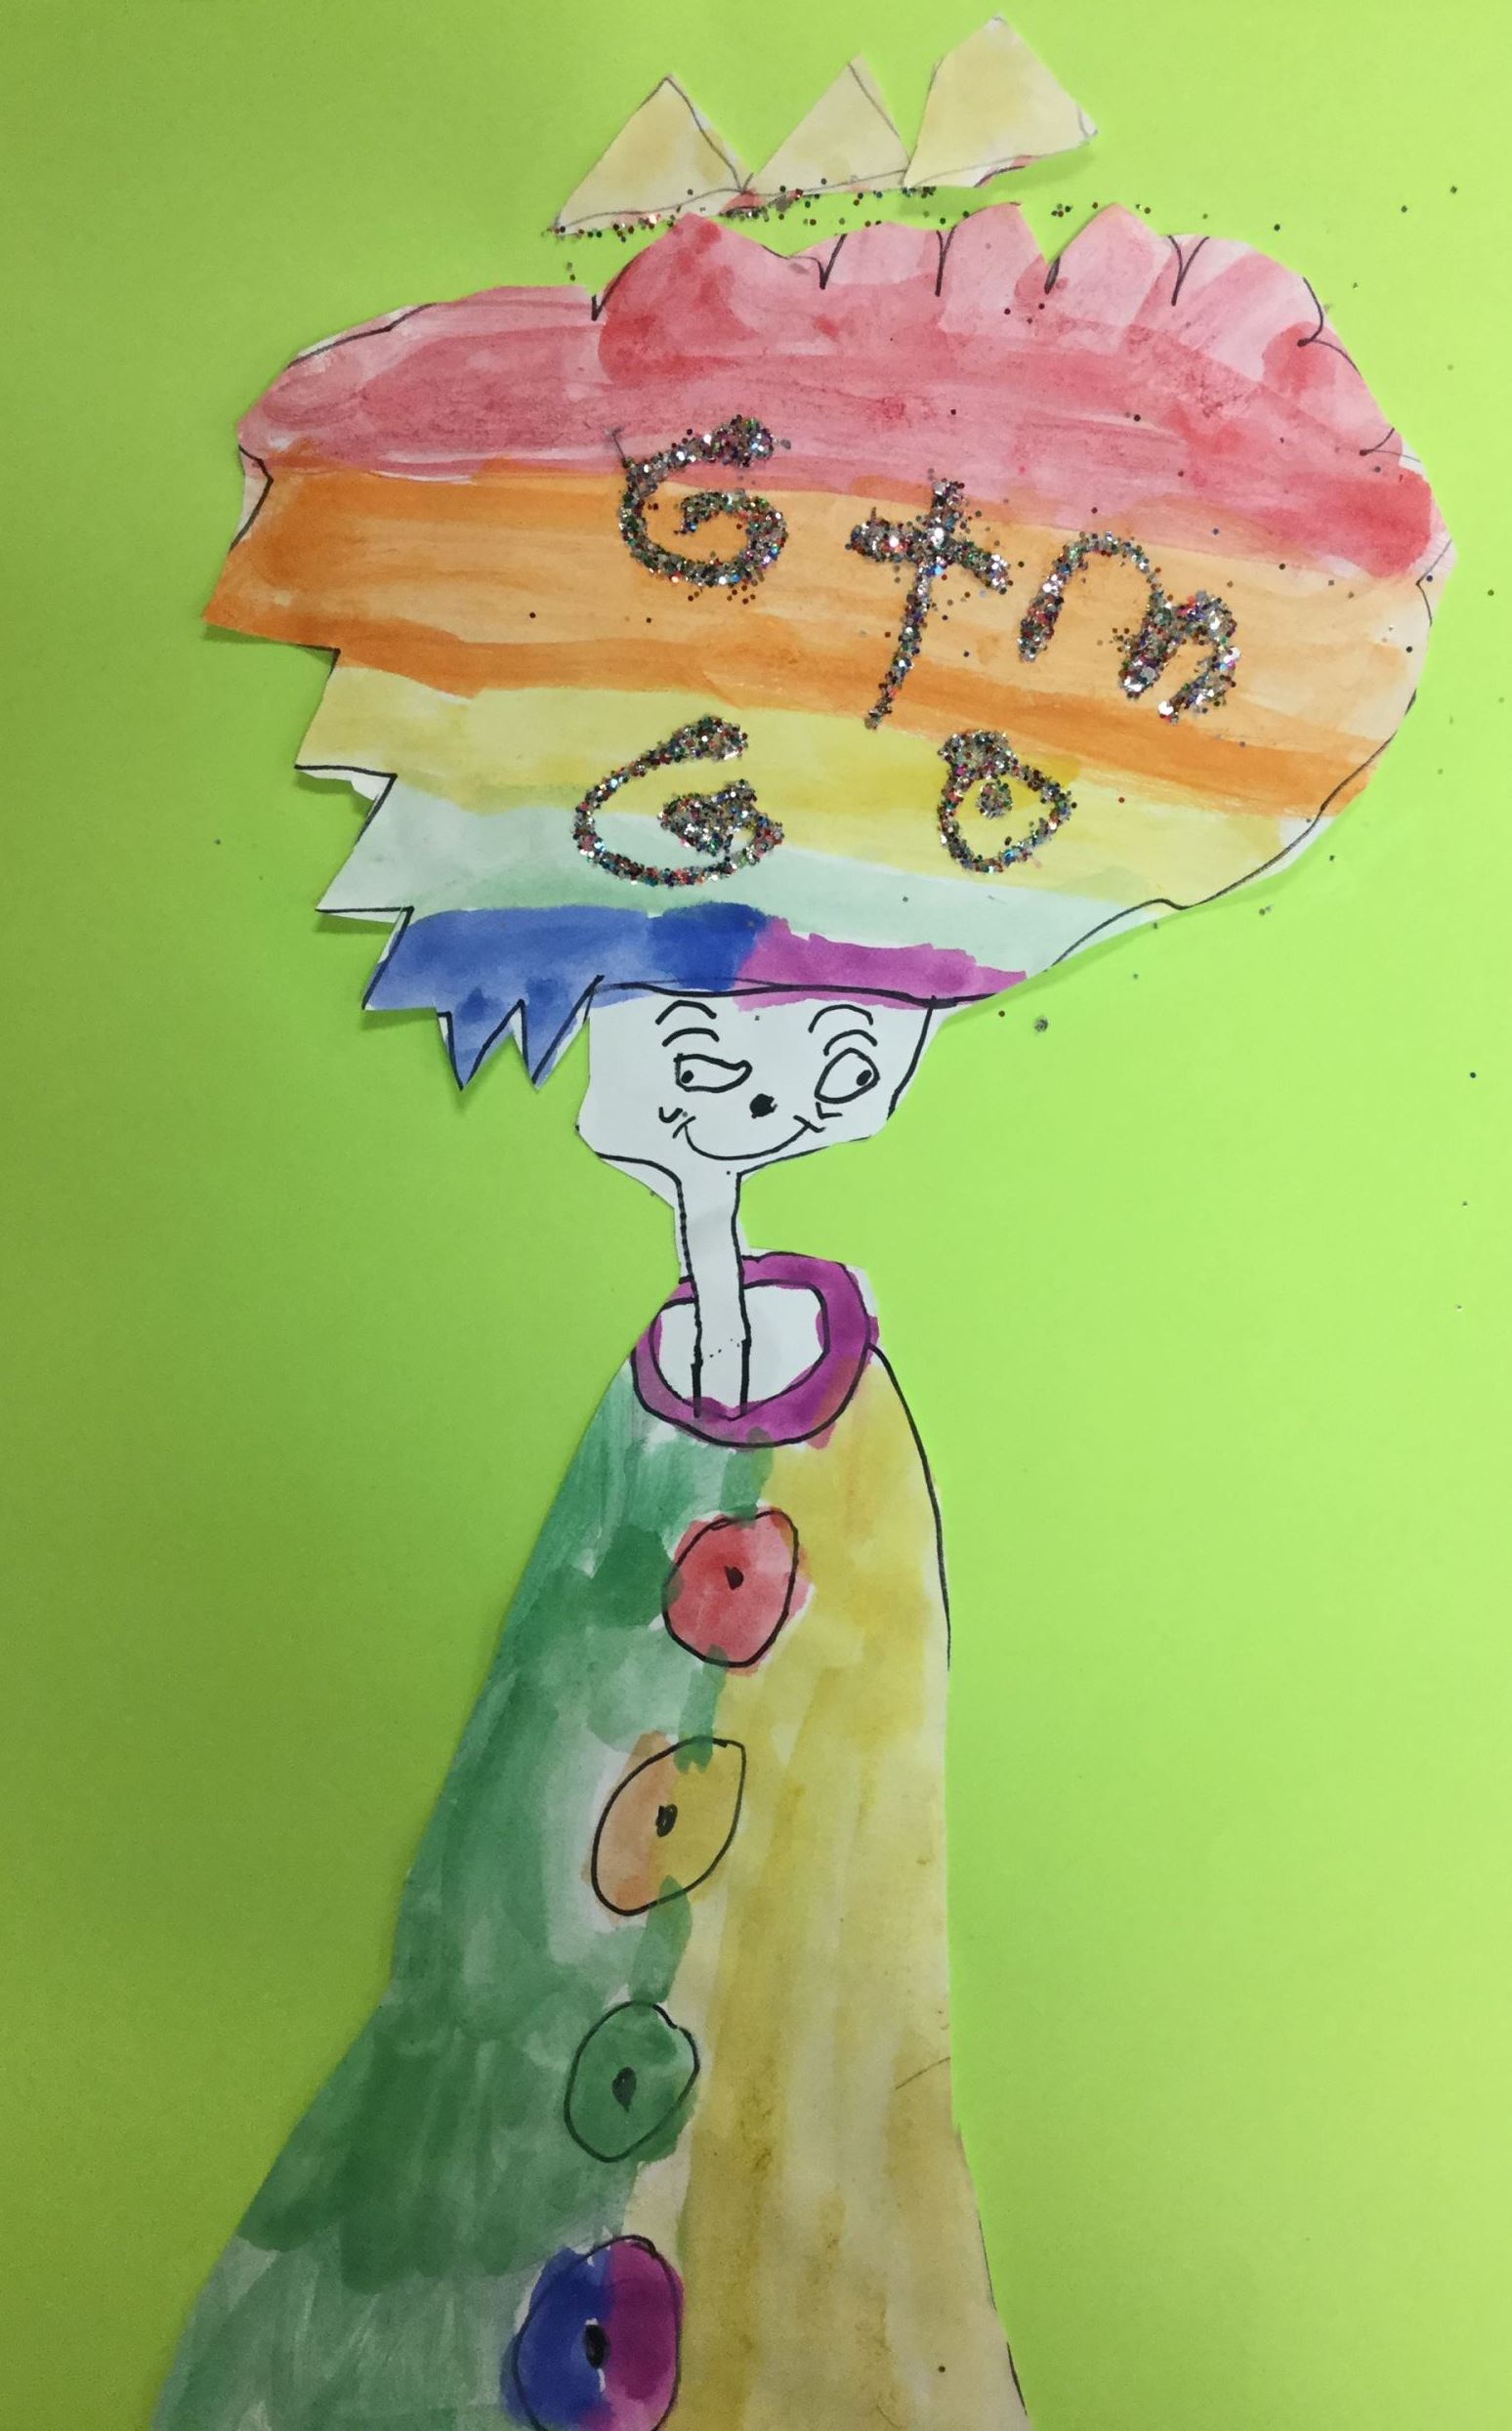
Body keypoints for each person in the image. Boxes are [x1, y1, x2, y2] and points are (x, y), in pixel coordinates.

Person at [157, 201, 1444, 2430]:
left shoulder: (821, 1461)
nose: (745, 1078)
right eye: (705, 1039)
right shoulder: (668, 1410)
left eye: (804, 1047)